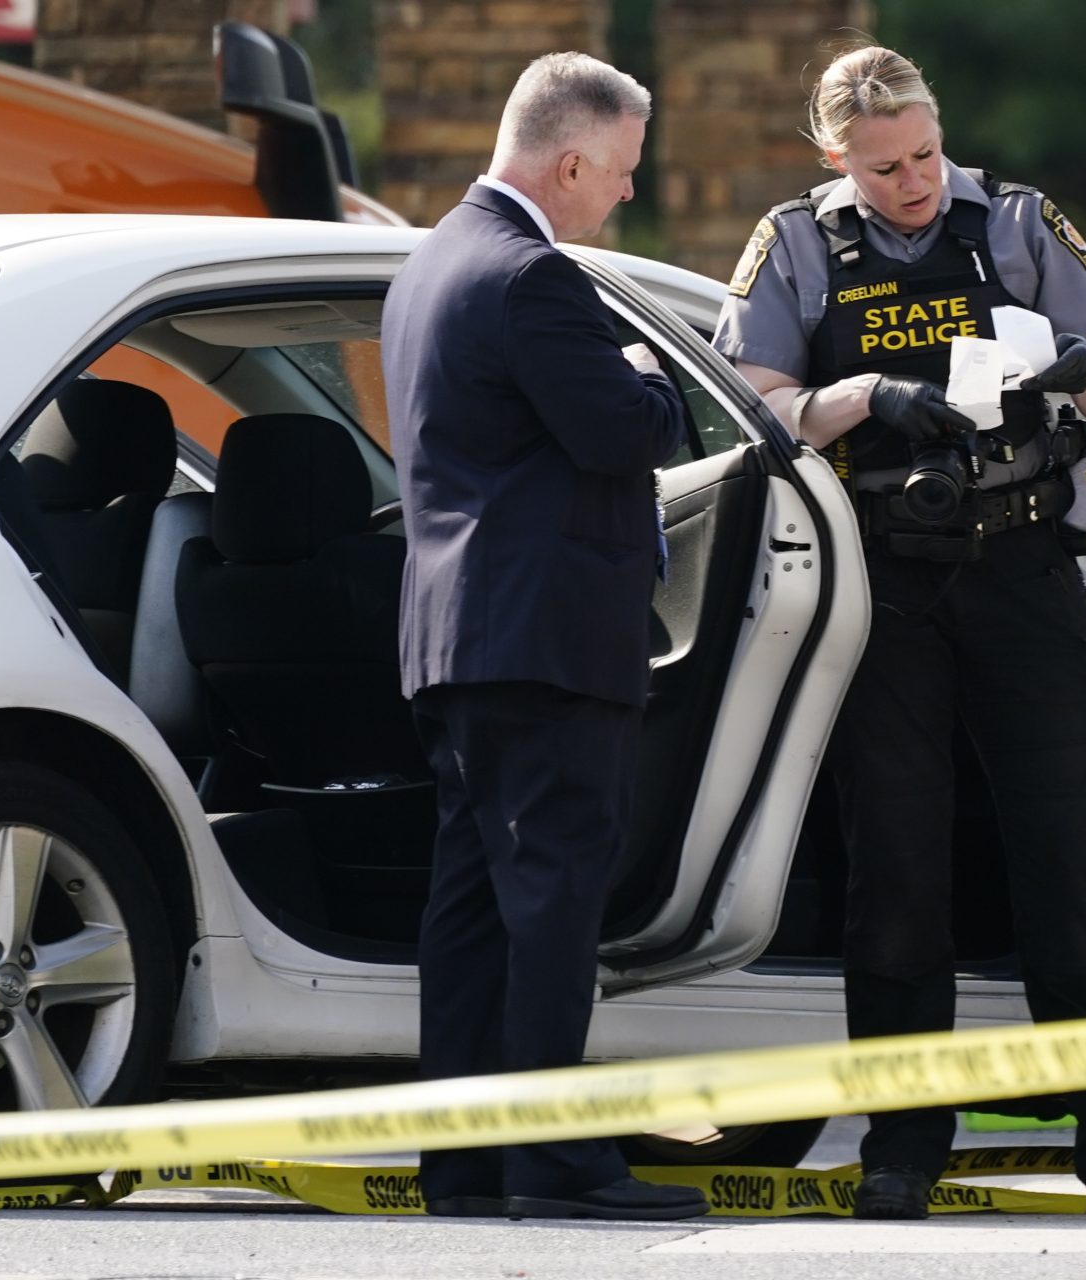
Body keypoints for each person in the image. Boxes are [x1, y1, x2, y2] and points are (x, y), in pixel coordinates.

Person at [713, 45, 1086, 1221]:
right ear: (834, 159)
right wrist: (864, 398)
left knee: (1069, 856)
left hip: (1024, 563)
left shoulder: (1013, 221)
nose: (912, 181)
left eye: (922, 154)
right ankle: (903, 1145)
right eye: (883, 167)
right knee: (896, 870)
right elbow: (751, 404)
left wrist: (1074, 361)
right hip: (884, 581)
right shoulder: (797, 245)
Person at [381, 52, 707, 1223]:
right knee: (551, 903)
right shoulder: (534, 278)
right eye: (618, 172)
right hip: (546, 640)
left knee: (471, 909)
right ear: (570, 161)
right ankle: (553, 1159)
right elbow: (625, 431)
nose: (623, 193)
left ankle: (465, 1158)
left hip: (460, 641)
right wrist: (652, 382)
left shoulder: (429, 266)